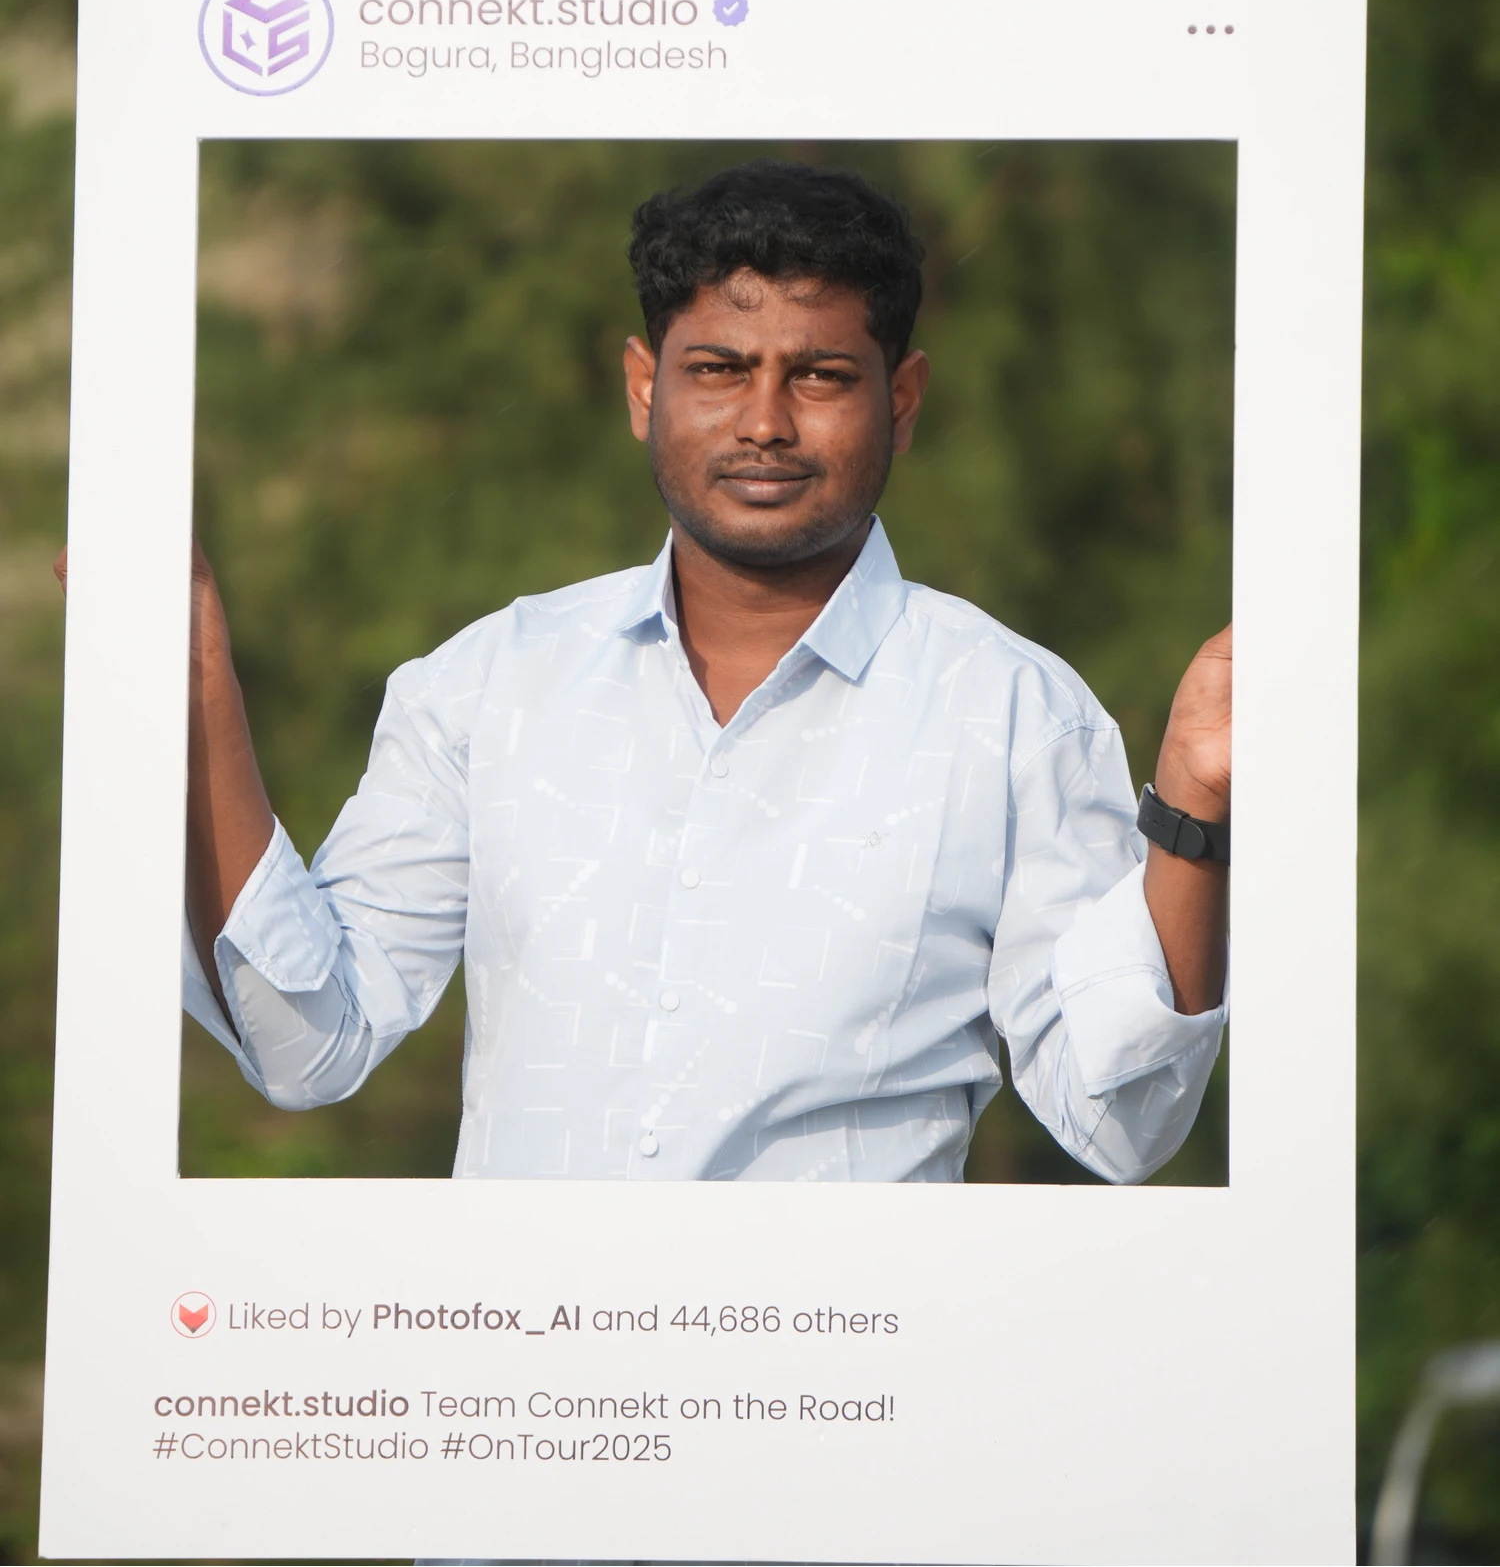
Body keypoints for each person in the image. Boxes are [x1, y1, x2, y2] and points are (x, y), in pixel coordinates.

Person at [170, 160, 1231, 1185]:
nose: (765, 421)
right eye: (720, 368)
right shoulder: (489, 686)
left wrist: (1191, 804)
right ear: (645, 385)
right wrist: (197, 680)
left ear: (902, 400)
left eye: (819, 374)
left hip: (851, 1360)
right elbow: (308, 1040)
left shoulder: (1014, 713)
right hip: (531, 1353)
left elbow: (1119, 1117)